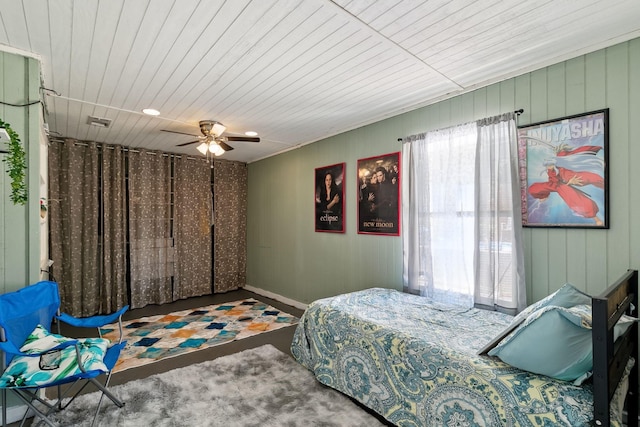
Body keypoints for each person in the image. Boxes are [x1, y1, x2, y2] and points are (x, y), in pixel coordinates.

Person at [528, 144, 604, 225]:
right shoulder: (557, 163)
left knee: (590, 182)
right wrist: (551, 171)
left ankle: (596, 218)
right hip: (560, 183)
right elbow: (555, 181)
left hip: (568, 180)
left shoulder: (564, 159)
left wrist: (566, 180)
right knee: (535, 188)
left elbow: (561, 178)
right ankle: (596, 218)